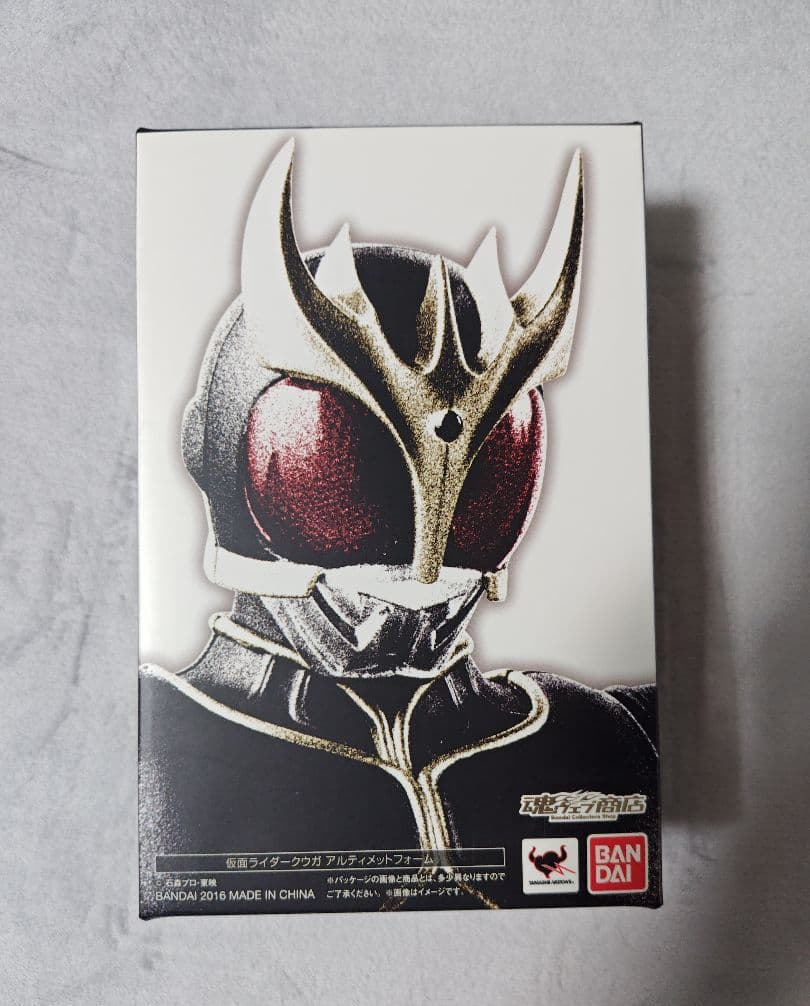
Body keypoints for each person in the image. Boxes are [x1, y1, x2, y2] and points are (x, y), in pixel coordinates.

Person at [139, 141, 659, 915]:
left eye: (488, 478)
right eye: (341, 477)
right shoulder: (152, 754)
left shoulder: (590, 733)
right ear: (213, 448)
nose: (419, 573)